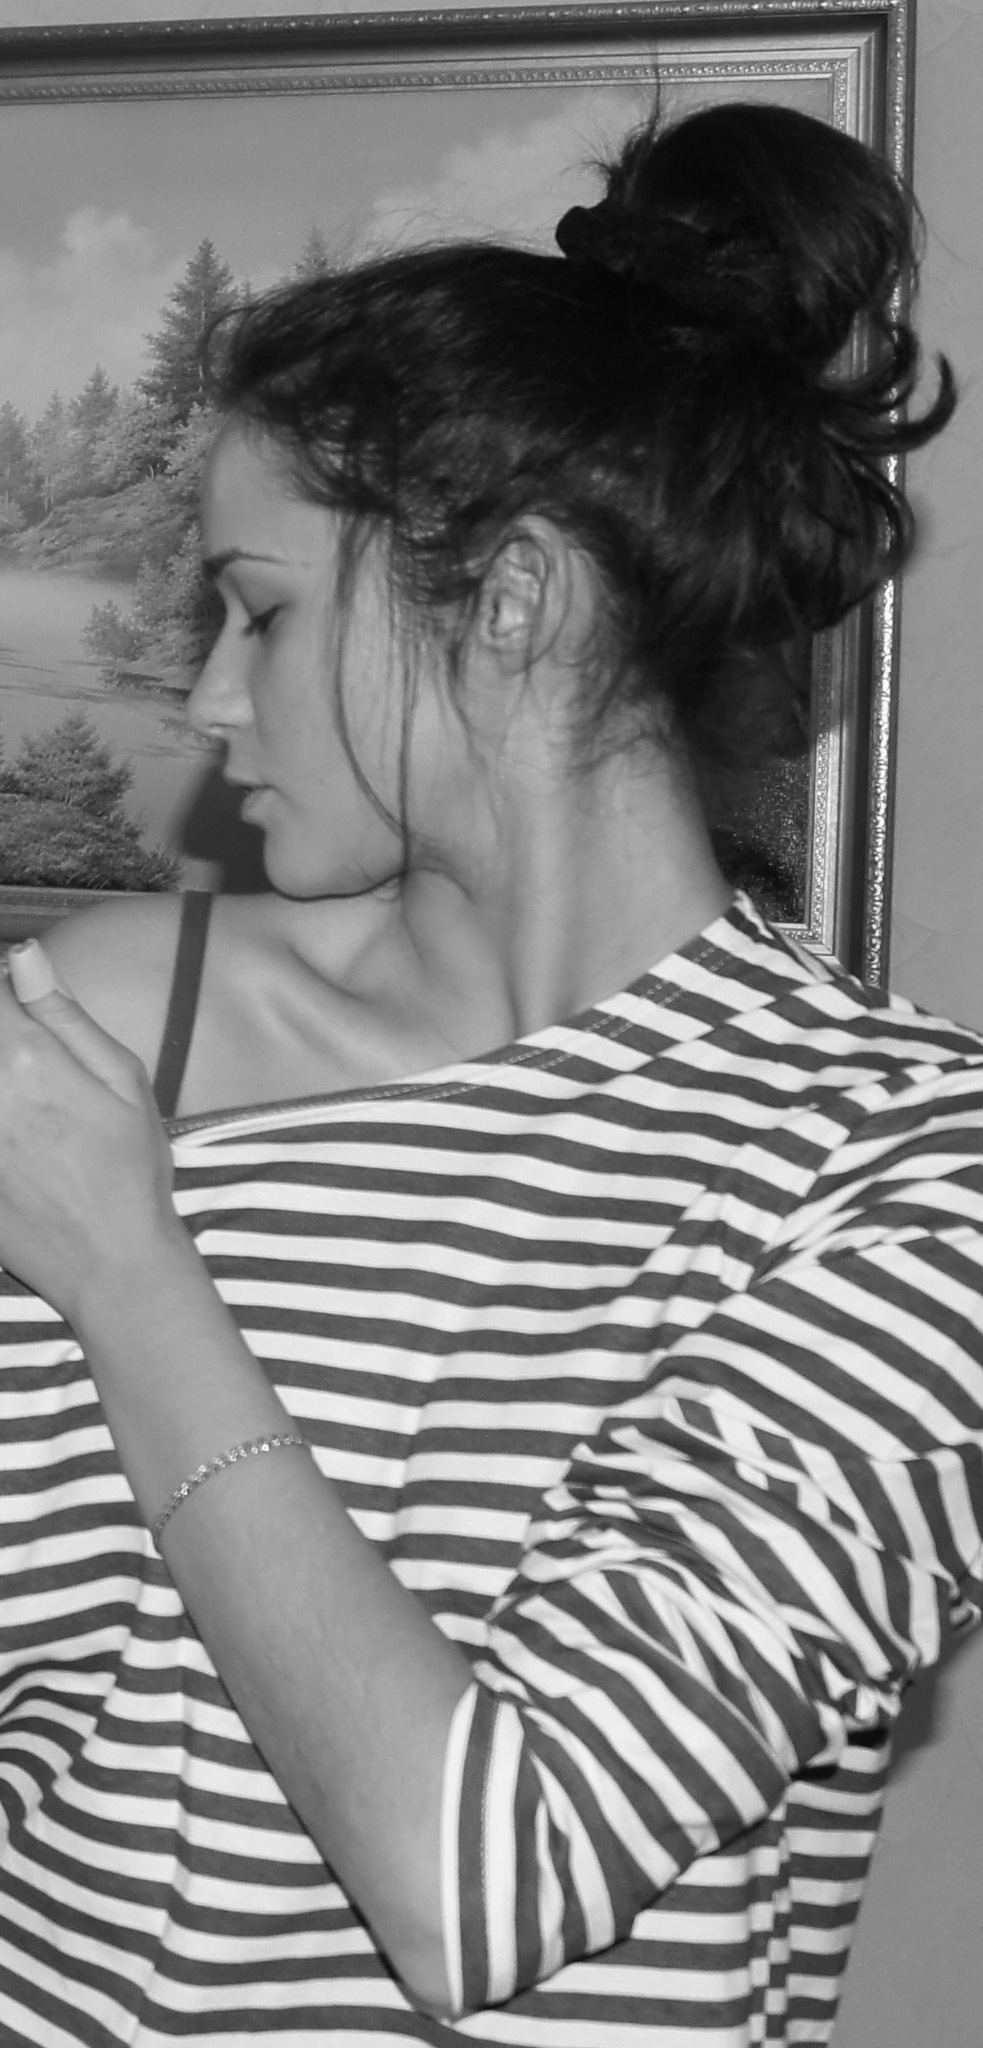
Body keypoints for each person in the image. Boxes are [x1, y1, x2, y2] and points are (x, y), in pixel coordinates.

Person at [0, 97, 978, 2048]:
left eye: (263, 613)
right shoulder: (110, 1032)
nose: (207, 699)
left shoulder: (897, 1172)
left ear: (514, 600)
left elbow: (488, 1874)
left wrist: (127, 1265)